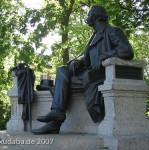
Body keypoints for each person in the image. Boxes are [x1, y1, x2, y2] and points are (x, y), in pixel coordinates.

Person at [32, 5, 134, 134]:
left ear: (95, 16)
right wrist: (77, 62)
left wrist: (103, 56)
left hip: (101, 75)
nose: (87, 18)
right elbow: (88, 59)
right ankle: (56, 113)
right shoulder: (94, 35)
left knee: (62, 85)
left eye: (89, 15)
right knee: (62, 70)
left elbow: (127, 51)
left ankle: (54, 123)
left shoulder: (113, 31)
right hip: (88, 73)